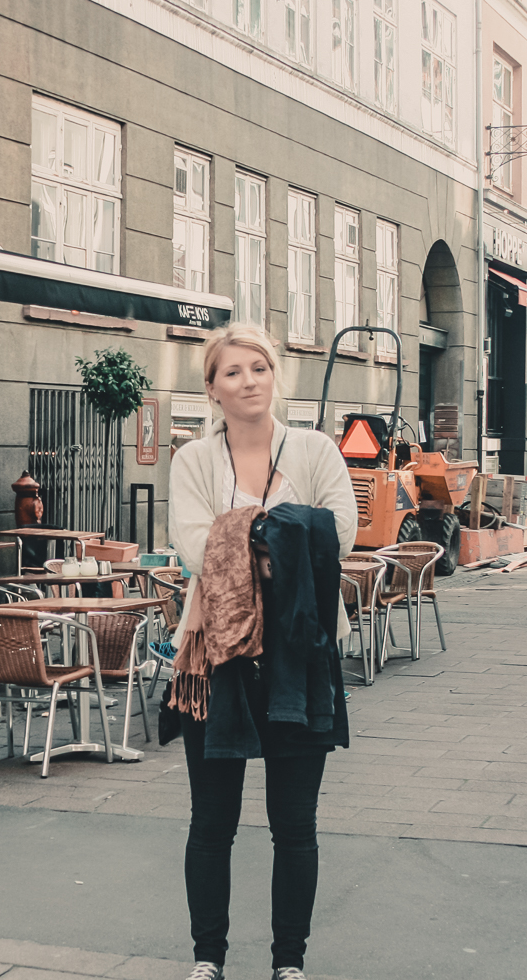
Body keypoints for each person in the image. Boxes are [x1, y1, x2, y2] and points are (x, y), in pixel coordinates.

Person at [166, 323, 357, 980]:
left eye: (258, 368)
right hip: (214, 656)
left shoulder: (314, 449)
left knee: (294, 823)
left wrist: (245, 539)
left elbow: (341, 532)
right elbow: (194, 544)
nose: (247, 380)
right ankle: (207, 958)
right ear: (212, 388)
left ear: (276, 376)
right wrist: (284, 536)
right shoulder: (191, 461)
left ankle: (289, 963)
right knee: (211, 819)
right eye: (232, 372)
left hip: (300, 655)